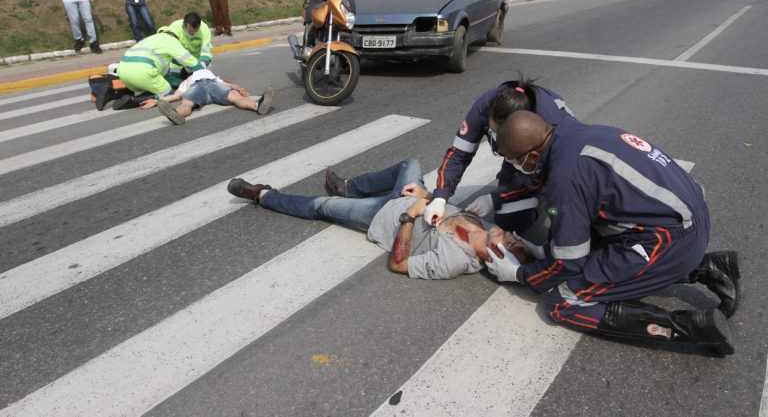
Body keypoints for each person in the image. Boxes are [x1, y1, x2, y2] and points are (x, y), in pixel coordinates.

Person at [487, 111, 740, 355]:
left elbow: (569, 262)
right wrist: (540, 250)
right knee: (596, 248)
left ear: (531, 157)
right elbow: (581, 219)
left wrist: (520, 274)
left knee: (563, 301)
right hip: (689, 217)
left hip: (672, 239)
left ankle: (691, 327)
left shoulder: (564, 177)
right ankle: (710, 267)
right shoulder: (574, 133)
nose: (514, 167)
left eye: (514, 160)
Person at [227, 159, 529, 280]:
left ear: (496, 256)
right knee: (410, 163)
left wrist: (410, 218)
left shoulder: (455, 262)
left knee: (322, 205)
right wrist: (426, 194)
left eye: (512, 244)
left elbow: (398, 263)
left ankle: (263, 195)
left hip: (383, 215)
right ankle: (350, 187)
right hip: (410, 197)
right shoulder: (487, 227)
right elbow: (441, 207)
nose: (512, 236)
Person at [425, 76, 575, 234]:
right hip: (522, 151)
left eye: (502, 137)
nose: (499, 143)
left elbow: (542, 172)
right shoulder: (485, 107)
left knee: (557, 200)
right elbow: (459, 154)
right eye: (494, 132)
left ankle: (544, 198)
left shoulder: (548, 126)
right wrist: (440, 196)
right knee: (506, 220)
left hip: (557, 161)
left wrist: (496, 198)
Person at [111, 27, 204, 108]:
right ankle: (133, 100)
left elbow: (170, 61)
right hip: (142, 73)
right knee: (166, 91)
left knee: (144, 87)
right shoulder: (171, 41)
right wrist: (203, 71)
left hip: (123, 71)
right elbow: (190, 61)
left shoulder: (152, 38)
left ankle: (113, 93)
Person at [152, 68, 275, 125]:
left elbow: (176, 96)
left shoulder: (185, 82)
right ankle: (257, 105)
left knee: (186, 104)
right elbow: (227, 84)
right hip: (213, 83)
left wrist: (158, 100)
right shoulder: (208, 72)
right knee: (235, 97)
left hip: (196, 87)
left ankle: (177, 115)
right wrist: (240, 89)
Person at [165, 12, 213, 87]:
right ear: (184, 26)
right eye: (190, 31)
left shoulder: (204, 29)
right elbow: (169, 49)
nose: (193, 33)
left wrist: (202, 64)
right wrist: (181, 61)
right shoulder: (174, 29)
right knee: (174, 83)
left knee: (203, 83)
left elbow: (206, 52)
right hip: (178, 61)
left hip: (197, 61)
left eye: (195, 31)